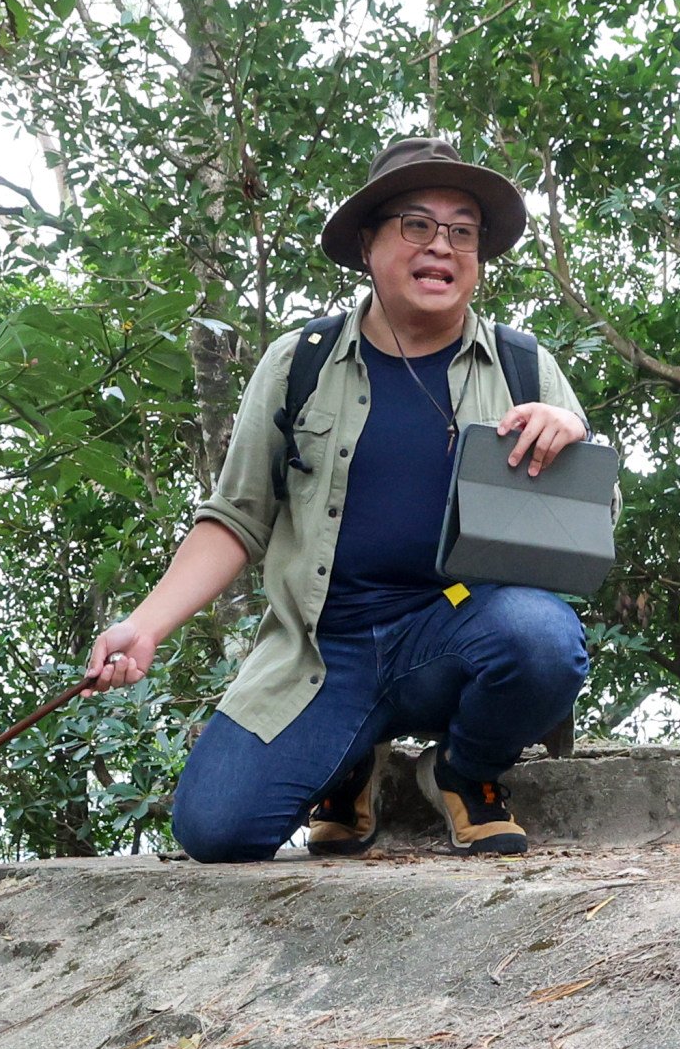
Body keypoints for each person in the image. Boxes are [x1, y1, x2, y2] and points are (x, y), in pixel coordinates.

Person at [87, 135, 595, 859]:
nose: (440, 247)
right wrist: (146, 626)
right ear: (367, 243)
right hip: (326, 652)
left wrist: (568, 433)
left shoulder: (521, 364)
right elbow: (235, 517)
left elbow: (589, 530)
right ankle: (347, 760)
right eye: (415, 224)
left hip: (455, 630)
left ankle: (463, 769)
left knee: (542, 636)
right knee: (216, 829)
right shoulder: (300, 362)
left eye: (462, 231)